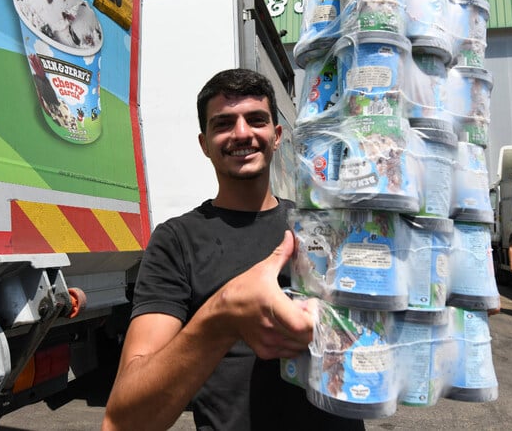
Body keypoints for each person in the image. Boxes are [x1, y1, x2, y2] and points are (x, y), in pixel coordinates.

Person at [102, 69, 359, 431]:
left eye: (256, 120)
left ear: (276, 136)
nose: (242, 133)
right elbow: (124, 421)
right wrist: (222, 316)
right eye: (223, 124)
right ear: (204, 143)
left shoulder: (321, 228)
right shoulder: (176, 240)